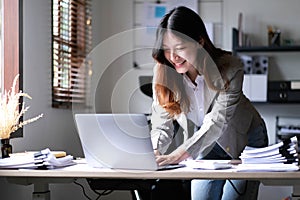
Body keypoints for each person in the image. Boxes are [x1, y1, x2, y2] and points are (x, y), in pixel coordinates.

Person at [150, 6, 269, 200]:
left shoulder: (231, 68)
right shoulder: (164, 72)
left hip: (245, 142)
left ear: (199, 42)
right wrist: (154, 152)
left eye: (180, 48)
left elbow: (216, 122)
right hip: (205, 144)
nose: (173, 57)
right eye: (166, 50)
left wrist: (176, 155)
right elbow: (161, 124)